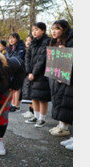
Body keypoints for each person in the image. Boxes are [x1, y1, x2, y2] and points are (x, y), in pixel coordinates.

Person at [48, 20, 73, 149]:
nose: (53, 31)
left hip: (70, 79)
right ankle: (63, 127)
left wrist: (67, 51)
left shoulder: (71, 40)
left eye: (57, 28)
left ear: (64, 29)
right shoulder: (57, 41)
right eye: (52, 28)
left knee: (70, 105)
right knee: (63, 102)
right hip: (61, 78)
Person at [24, 22, 51, 128]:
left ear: (43, 30)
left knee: (42, 98)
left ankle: (42, 118)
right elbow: (27, 57)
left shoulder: (47, 41)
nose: (34, 32)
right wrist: (29, 72)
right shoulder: (32, 42)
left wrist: (34, 73)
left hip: (42, 74)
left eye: (37, 29)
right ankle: (36, 116)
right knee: (34, 96)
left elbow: (42, 59)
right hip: (32, 74)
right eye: (33, 30)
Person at [6, 32, 26, 112]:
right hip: (11, 69)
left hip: (19, 68)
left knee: (17, 88)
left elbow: (19, 58)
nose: (11, 40)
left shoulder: (20, 47)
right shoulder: (9, 48)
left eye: (13, 38)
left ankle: (16, 105)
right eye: (10, 38)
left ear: (17, 39)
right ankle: (13, 104)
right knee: (12, 88)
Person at [21, 35, 35, 118]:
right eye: (26, 40)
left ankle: (33, 112)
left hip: (31, 73)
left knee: (32, 93)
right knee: (28, 93)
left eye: (29, 40)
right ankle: (30, 110)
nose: (27, 42)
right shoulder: (27, 50)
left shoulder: (33, 49)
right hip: (27, 73)